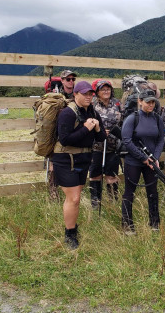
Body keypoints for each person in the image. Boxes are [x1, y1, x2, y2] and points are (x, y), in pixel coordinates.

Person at [51, 81, 106, 249]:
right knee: (74, 198)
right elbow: (65, 139)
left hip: (84, 158)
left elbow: (102, 137)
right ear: (75, 95)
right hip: (65, 159)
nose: (89, 96)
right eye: (85, 94)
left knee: (77, 195)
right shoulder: (67, 113)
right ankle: (70, 234)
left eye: (91, 93)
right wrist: (86, 128)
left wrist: (96, 129)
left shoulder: (93, 112)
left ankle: (73, 227)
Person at [121, 89, 165, 234]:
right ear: (140, 101)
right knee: (129, 192)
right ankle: (127, 225)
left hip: (151, 162)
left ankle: (154, 223)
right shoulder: (132, 118)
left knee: (152, 192)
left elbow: (160, 139)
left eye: (153, 102)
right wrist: (143, 158)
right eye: (148, 102)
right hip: (133, 161)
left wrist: (155, 157)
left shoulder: (157, 119)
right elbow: (127, 140)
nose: (151, 105)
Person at [89, 80, 122, 208]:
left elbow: (123, 121)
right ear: (97, 92)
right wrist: (100, 130)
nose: (106, 91)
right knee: (95, 175)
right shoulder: (92, 105)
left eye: (108, 89)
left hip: (113, 146)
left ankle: (113, 202)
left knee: (112, 176)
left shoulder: (117, 103)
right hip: (96, 146)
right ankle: (95, 203)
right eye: (103, 89)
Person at [47, 70, 77, 201]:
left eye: (72, 79)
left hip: (73, 133)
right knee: (53, 165)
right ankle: (53, 193)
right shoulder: (56, 95)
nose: (71, 81)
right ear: (62, 81)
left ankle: (70, 192)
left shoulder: (78, 94)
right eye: (68, 79)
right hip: (56, 134)